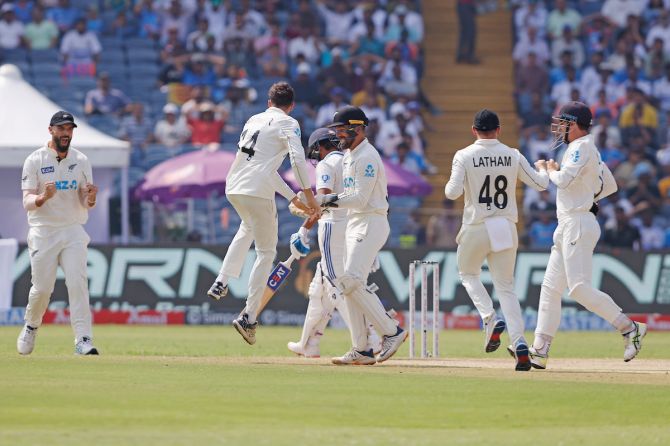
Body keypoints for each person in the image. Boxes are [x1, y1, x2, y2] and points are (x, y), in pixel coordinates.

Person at [531, 101, 647, 369]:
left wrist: (550, 170)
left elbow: (563, 181)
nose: (559, 128)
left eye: (562, 123)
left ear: (573, 124)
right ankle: (539, 349)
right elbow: (611, 185)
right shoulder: (585, 149)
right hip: (571, 221)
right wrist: (589, 192)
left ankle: (630, 328)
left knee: (579, 288)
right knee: (550, 288)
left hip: (578, 223)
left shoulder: (581, 147)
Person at [206, 82, 319, 345]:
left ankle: (221, 280)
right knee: (266, 253)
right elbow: (297, 160)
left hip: (233, 186)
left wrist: (293, 197)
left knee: (247, 227)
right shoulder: (289, 124)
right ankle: (249, 316)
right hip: (257, 190)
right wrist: (308, 195)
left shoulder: (254, 119)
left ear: (269, 103)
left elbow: (265, 169)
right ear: (291, 107)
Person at [445, 109, 549, 371]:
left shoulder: (464, 155)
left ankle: (489, 318)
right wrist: (545, 170)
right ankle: (520, 342)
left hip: (477, 225)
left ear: (474, 130)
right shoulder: (512, 154)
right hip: (504, 226)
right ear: (499, 130)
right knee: (506, 288)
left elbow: (451, 193)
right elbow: (540, 185)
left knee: (467, 274)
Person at [318, 106, 407, 365]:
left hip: (371, 221)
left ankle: (392, 331)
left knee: (351, 280)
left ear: (357, 128)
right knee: (347, 286)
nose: (338, 136)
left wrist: (325, 201)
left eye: (342, 130)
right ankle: (362, 349)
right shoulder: (349, 155)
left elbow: (359, 198)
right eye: (335, 131)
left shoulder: (367, 156)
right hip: (356, 223)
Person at [287, 128, 381, 358]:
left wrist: (302, 219)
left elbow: (323, 202)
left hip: (333, 227)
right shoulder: (350, 159)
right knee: (320, 288)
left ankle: (373, 337)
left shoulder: (326, 165)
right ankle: (308, 343)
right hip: (355, 226)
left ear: (320, 146)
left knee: (337, 285)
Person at [17, 111, 99, 356]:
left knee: (78, 283)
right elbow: (27, 201)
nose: (66, 133)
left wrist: (91, 197)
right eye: (61, 129)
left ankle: (83, 339)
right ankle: (31, 326)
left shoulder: (81, 160)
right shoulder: (35, 160)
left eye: (70, 129)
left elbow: (85, 201)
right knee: (42, 289)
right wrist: (43, 197)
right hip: (44, 231)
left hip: (73, 230)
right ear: (51, 130)